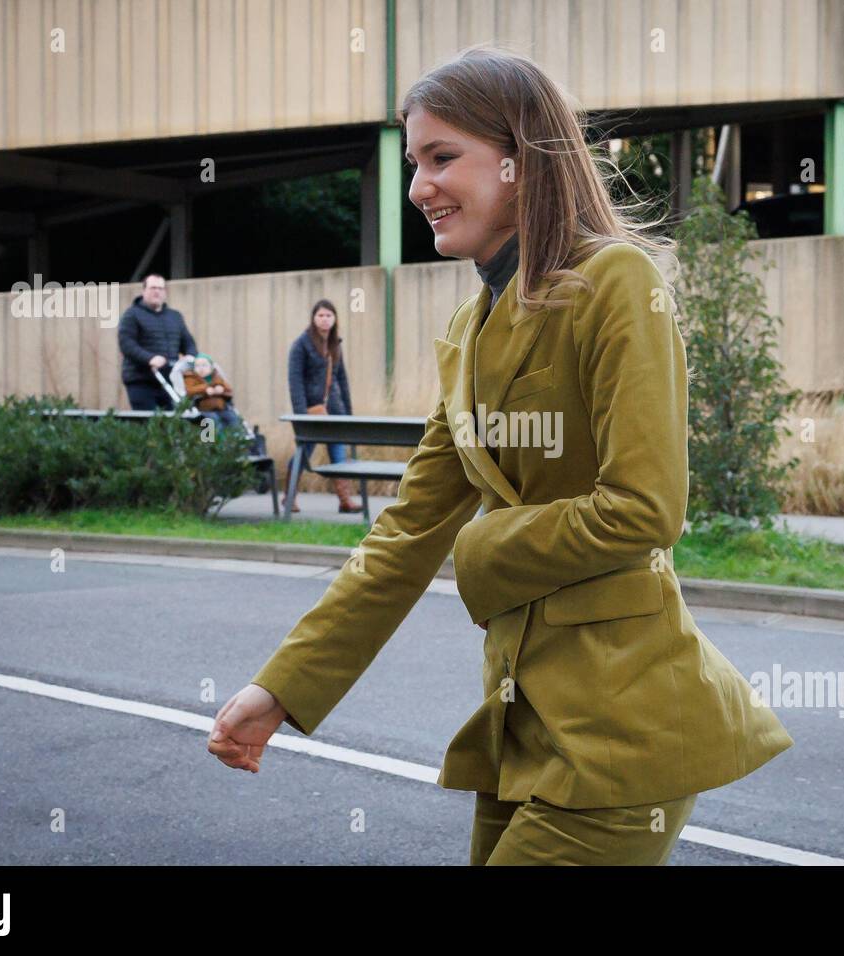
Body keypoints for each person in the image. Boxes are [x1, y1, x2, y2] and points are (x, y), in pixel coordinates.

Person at [208, 45, 793, 866]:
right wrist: (282, 688)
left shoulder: (616, 281)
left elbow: (646, 508)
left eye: (443, 157)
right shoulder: (466, 333)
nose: (419, 188)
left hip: (625, 732)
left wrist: (484, 547)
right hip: (523, 729)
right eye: (415, 163)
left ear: (520, 160)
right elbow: (406, 534)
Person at [283, 299, 363, 514]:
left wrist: (348, 412)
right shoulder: (301, 344)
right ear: (313, 318)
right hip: (311, 411)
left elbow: (342, 380)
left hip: (335, 410)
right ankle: (289, 498)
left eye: (329, 315)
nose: (325, 319)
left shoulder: (335, 343)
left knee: (338, 455)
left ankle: (345, 500)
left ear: (334, 319)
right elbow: (295, 381)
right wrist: (301, 414)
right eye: (321, 315)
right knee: (303, 453)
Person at [117, 274, 198, 411]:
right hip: (141, 381)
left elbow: (188, 342)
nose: (157, 291)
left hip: (170, 380)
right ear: (144, 291)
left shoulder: (175, 317)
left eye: (160, 288)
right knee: (149, 423)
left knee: (175, 423)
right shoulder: (132, 315)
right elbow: (127, 344)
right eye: (153, 288)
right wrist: (150, 358)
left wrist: (191, 357)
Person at [182, 354, 241, 433]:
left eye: (204, 365)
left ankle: (235, 440)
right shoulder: (191, 378)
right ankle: (210, 442)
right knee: (212, 420)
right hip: (201, 409)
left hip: (220, 408)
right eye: (197, 366)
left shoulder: (217, 377)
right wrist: (205, 389)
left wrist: (222, 389)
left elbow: (229, 390)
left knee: (232, 417)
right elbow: (189, 390)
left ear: (211, 368)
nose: (201, 368)